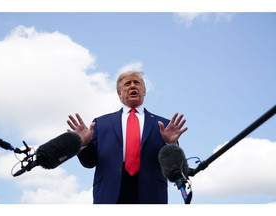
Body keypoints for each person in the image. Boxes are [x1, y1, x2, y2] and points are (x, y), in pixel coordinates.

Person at [67, 71, 188, 204]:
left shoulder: (163, 125)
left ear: (144, 91)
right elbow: (89, 163)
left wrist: (171, 144)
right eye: (127, 84)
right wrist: (84, 145)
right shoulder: (100, 124)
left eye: (137, 83)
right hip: (109, 194)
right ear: (119, 93)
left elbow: (174, 167)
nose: (132, 86)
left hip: (151, 194)